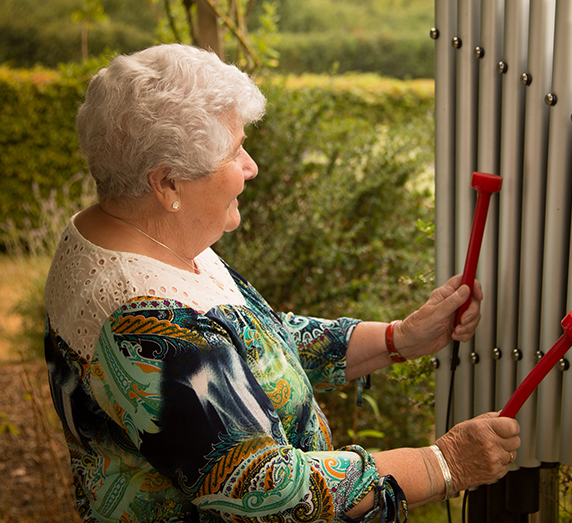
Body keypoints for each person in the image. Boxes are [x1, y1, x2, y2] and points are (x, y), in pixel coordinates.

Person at [43, 43, 520, 522]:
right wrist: (443, 463)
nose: (250, 166)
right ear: (167, 184)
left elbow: (253, 347)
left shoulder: (137, 233)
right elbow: (269, 493)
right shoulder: (143, 323)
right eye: (235, 152)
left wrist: (397, 338)